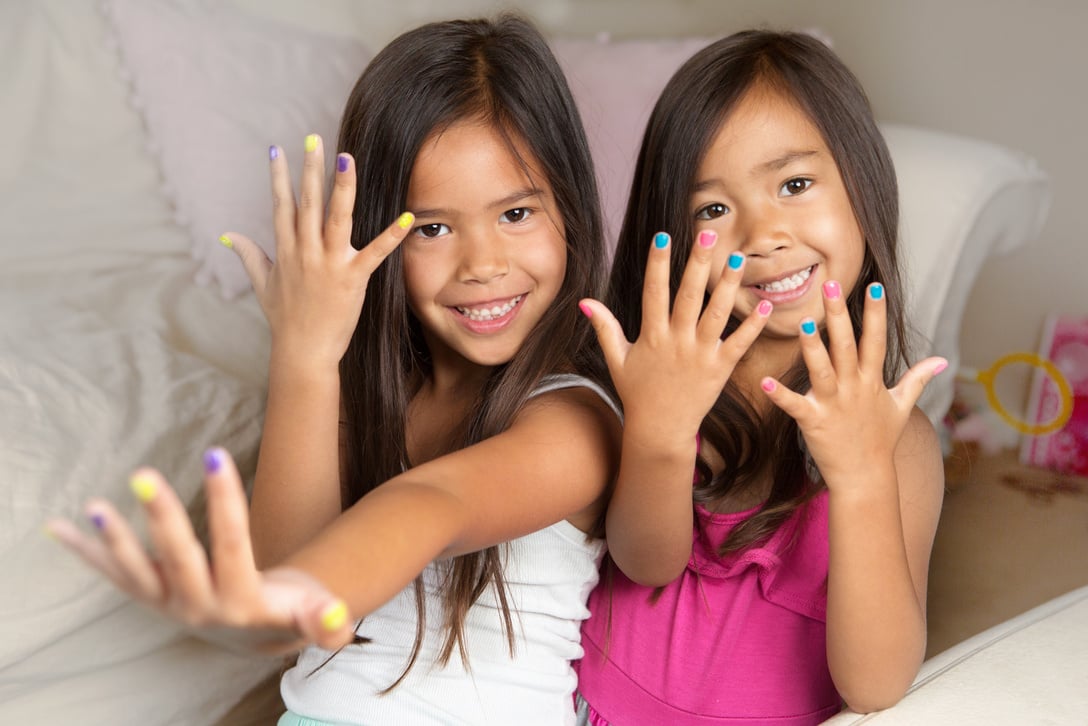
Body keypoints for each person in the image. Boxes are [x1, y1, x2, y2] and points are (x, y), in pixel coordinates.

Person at [46, 15, 623, 726]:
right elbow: (287, 575)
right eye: (434, 229)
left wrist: (281, 596)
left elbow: (435, 506)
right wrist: (306, 357)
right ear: (378, 238)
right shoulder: (374, 397)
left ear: (569, 204)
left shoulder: (577, 418)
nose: (484, 265)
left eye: (516, 213)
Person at [573, 29, 948, 724]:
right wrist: (658, 432)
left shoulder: (899, 440)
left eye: (795, 185)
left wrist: (864, 477)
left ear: (863, 183)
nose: (763, 234)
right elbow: (645, 563)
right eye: (713, 209)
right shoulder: (670, 377)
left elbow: (876, 686)